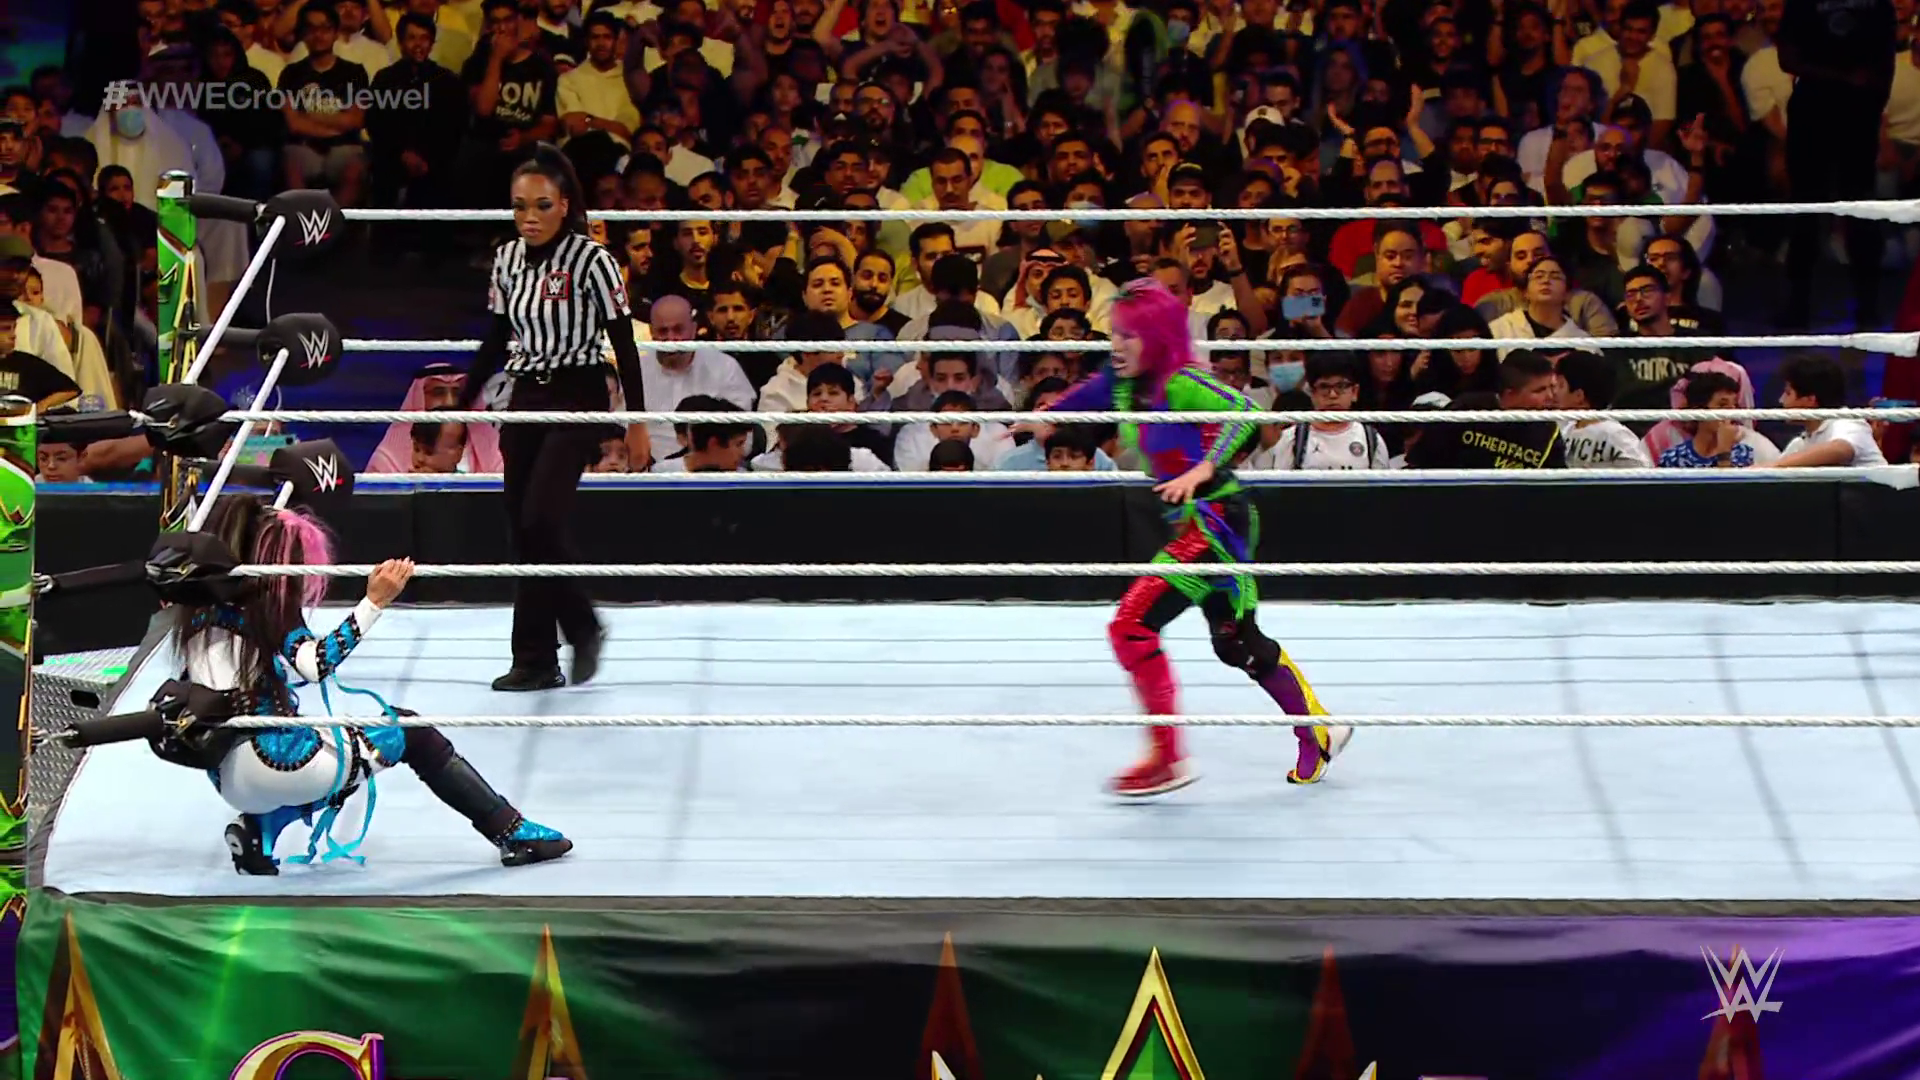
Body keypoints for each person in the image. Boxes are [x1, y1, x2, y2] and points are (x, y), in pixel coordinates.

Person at [1021, 279, 1352, 798]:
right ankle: (1319, 727)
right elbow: (1087, 393)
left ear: (1155, 338)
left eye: (1129, 335)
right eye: (1115, 333)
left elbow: (1244, 413)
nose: (1117, 345)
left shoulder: (1180, 381)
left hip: (1217, 521)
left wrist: (1203, 468)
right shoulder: (1125, 382)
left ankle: (1168, 759)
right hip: (1195, 523)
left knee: (1132, 626)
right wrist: (1045, 416)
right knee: (1235, 643)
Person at [166, 494, 572, 875]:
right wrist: (374, 602)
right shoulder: (265, 606)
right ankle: (510, 830)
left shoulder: (195, 614)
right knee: (409, 731)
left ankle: (260, 829)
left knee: (342, 746)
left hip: (225, 776)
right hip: (277, 762)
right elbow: (315, 664)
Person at [460, 145, 647, 692]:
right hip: (525, 393)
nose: (530, 217)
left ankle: (583, 626)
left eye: (542, 205)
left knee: (540, 519)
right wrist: (464, 399)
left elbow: (623, 343)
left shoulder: (593, 261)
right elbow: (497, 336)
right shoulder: (507, 259)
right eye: (520, 207)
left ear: (564, 205)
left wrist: (638, 420)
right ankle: (536, 658)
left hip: (578, 390)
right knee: (521, 526)